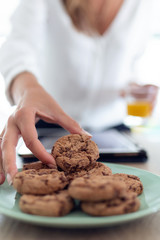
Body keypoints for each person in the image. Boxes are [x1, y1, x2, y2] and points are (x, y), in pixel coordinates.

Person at [0, 0, 159, 185]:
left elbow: (128, 64)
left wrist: (135, 87)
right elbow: (17, 47)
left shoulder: (143, 4)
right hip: (47, 129)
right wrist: (28, 88)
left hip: (115, 133)